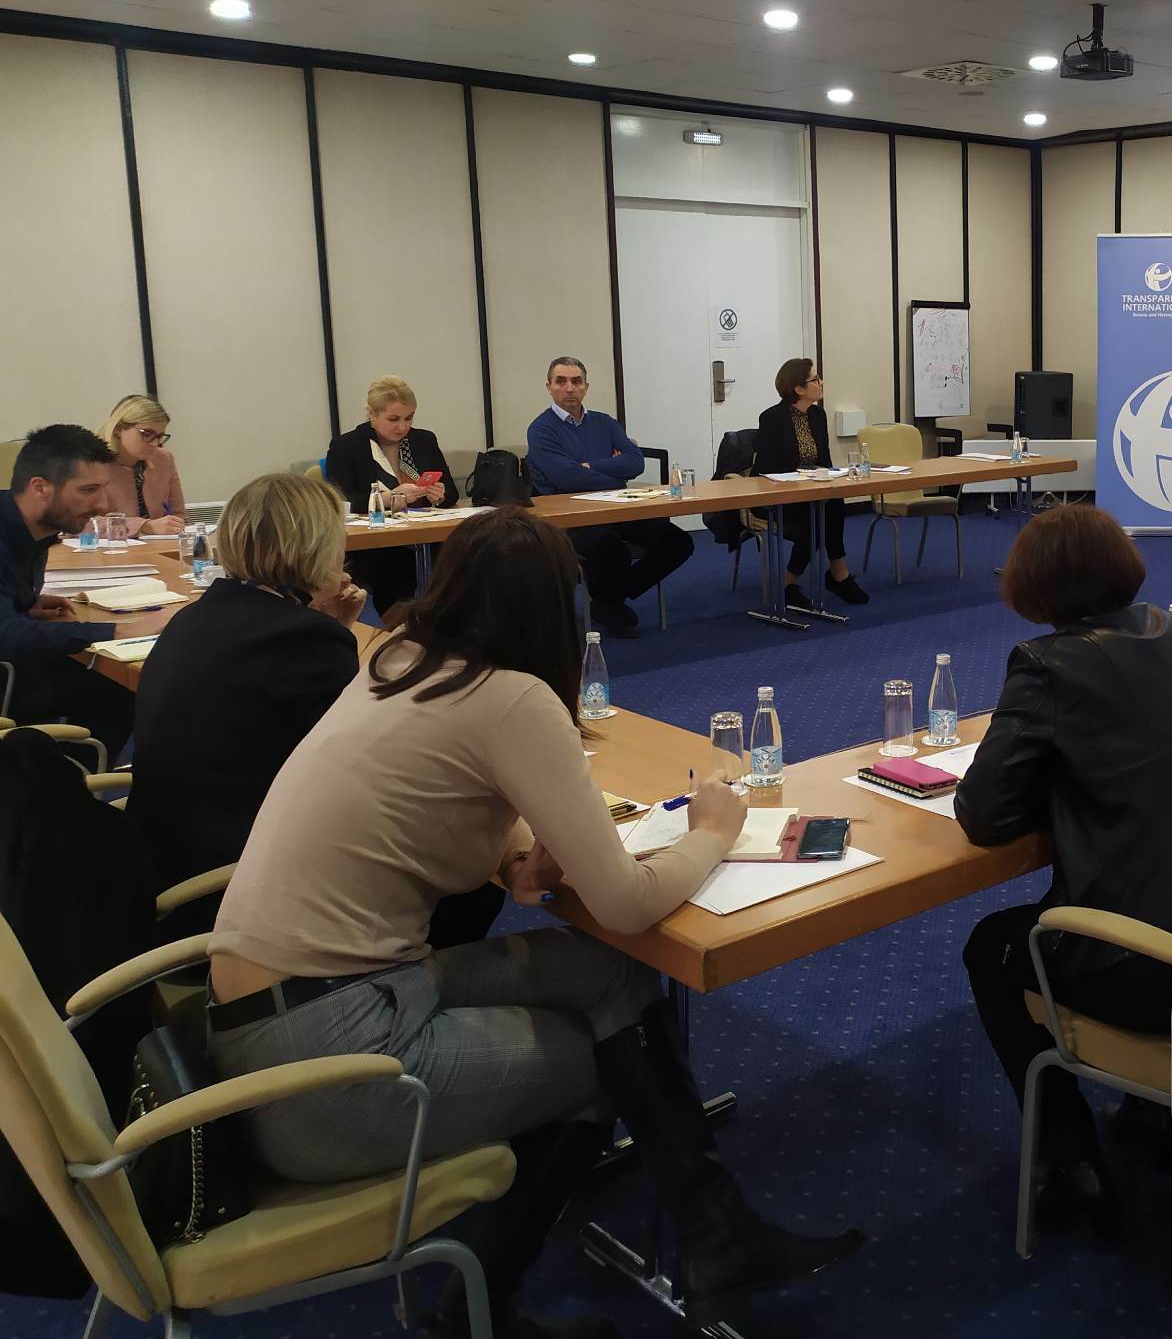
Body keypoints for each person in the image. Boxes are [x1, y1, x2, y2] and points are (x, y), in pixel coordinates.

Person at [203, 508, 860, 1337]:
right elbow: (625, 903)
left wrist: (514, 851)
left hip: (265, 1023)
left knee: (606, 972)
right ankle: (478, 1308)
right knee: (607, 1061)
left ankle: (714, 1235)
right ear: (557, 607)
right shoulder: (511, 699)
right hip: (322, 1074)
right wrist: (713, 833)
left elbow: (438, 797)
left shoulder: (399, 660)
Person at [953, 504, 1172, 1231]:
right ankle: (1149, 1117)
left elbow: (985, 815)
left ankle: (1070, 1162)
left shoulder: (1047, 665)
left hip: (1149, 966)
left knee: (991, 949)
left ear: (1034, 586)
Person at [129, 472, 365, 940]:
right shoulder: (306, 640)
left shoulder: (193, 616)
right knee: (461, 886)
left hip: (155, 861)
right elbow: (351, 769)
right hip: (237, 888)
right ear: (317, 548)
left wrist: (326, 624)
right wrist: (335, 636)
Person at [1, 424, 148, 753]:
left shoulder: (34, 527)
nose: (103, 503)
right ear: (40, 487)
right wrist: (119, 631)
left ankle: (61, 776)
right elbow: (5, 635)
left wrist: (22, 603)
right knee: (119, 687)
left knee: (113, 684)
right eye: (89, 489)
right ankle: (64, 780)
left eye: (103, 488)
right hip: (5, 676)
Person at [525, 355, 690, 638]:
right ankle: (610, 602)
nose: (569, 388)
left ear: (586, 387)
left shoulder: (604, 422)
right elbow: (566, 479)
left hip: (617, 507)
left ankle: (608, 599)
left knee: (678, 542)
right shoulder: (540, 429)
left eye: (576, 381)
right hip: (571, 516)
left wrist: (590, 466)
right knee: (610, 548)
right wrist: (614, 475)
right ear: (549, 387)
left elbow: (635, 462)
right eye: (561, 381)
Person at [324, 375, 460, 616]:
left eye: (409, 418)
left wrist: (438, 495)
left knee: (461, 557)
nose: (402, 427)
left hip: (427, 534)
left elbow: (451, 493)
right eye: (393, 419)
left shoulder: (423, 440)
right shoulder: (347, 446)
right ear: (372, 414)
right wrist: (389, 498)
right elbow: (340, 502)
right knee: (394, 566)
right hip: (378, 544)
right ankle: (400, 618)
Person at [754, 358, 869, 609]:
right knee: (818, 517)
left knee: (833, 503)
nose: (821, 382)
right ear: (798, 389)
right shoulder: (772, 418)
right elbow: (767, 468)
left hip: (812, 492)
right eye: (815, 379)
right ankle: (797, 582)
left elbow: (824, 460)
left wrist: (831, 477)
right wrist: (803, 477)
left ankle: (836, 574)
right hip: (778, 494)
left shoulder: (818, 415)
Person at [96, 394, 185, 535]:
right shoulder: (90, 463)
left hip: (159, 545)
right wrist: (144, 526)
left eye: (159, 436)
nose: (155, 443)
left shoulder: (164, 459)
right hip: (109, 547)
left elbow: (178, 514)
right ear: (118, 429)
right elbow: (80, 524)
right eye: (147, 434)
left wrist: (174, 525)